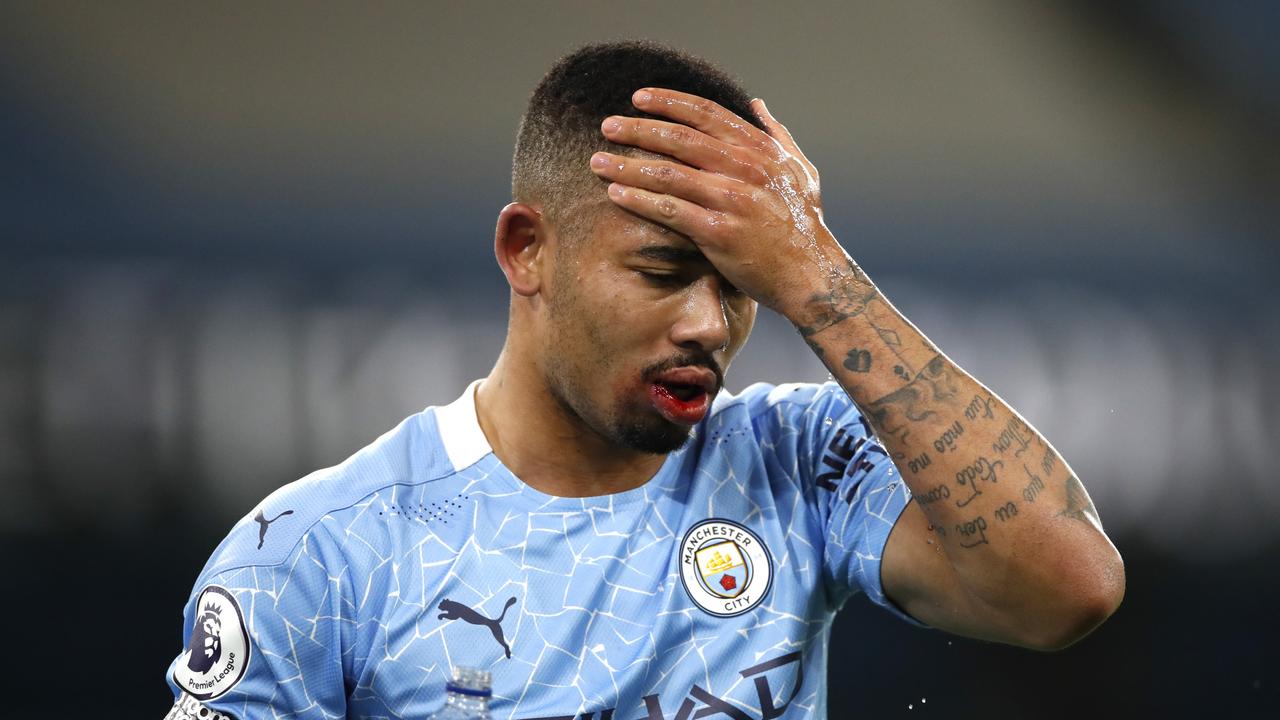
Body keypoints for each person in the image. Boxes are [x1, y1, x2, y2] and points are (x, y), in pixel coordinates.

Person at [163, 41, 1124, 720]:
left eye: (743, 286)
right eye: (662, 274)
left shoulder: (799, 464)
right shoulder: (317, 558)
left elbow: (1066, 589)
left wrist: (818, 278)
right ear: (527, 249)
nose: (709, 324)